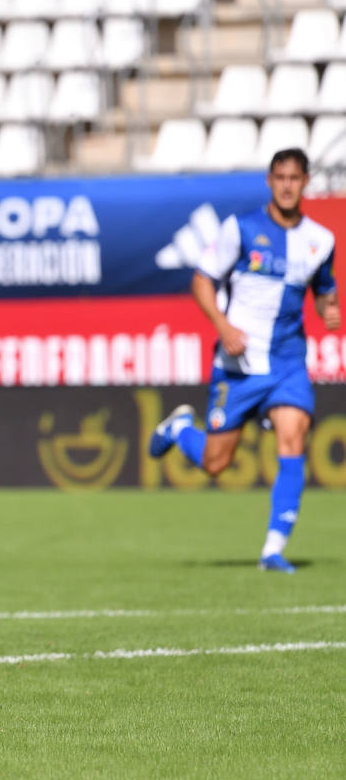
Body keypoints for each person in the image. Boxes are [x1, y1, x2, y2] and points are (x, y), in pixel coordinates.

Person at [149, 147, 338, 573]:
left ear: (306, 182)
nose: (287, 185)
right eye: (280, 177)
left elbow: (326, 289)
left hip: (288, 361)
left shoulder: (320, 240)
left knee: (294, 436)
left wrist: (331, 307)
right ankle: (181, 429)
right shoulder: (241, 228)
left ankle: (273, 549)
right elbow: (202, 279)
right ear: (270, 181)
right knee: (217, 462)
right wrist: (222, 325)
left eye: (295, 178)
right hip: (239, 364)